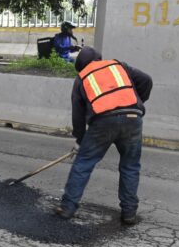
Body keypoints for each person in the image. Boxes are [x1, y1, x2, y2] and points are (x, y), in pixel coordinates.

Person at [55, 46, 153, 225]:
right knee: (130, 166)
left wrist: (80, 140)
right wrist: (136, 102)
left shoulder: (82, 77)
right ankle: (129, 212)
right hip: (133, 117)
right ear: (99, 59)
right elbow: (146, 80)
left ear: (81, 66)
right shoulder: (118, 66)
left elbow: (78, 115)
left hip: (103, 121)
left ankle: (67, 207)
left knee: (83, 163)